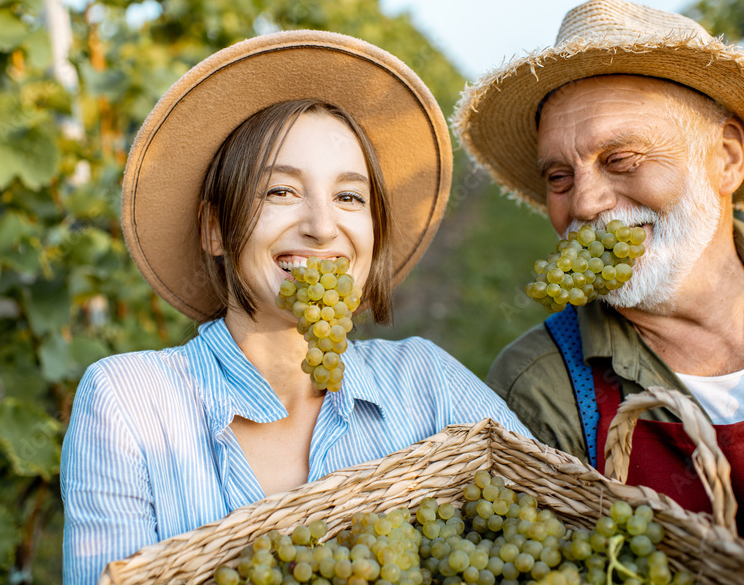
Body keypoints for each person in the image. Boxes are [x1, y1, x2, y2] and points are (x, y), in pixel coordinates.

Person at [61, 30, 533, 583]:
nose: (321, 226)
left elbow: (549, 534)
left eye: (349, 197)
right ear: (214, 228)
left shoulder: (428, 384)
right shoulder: (129, 405)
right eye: (280, 191)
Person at [453, 0, 744, 564]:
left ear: (725, 158)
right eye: (559, 176)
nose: (586, 203)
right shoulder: (540, 388)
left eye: (621, 159)